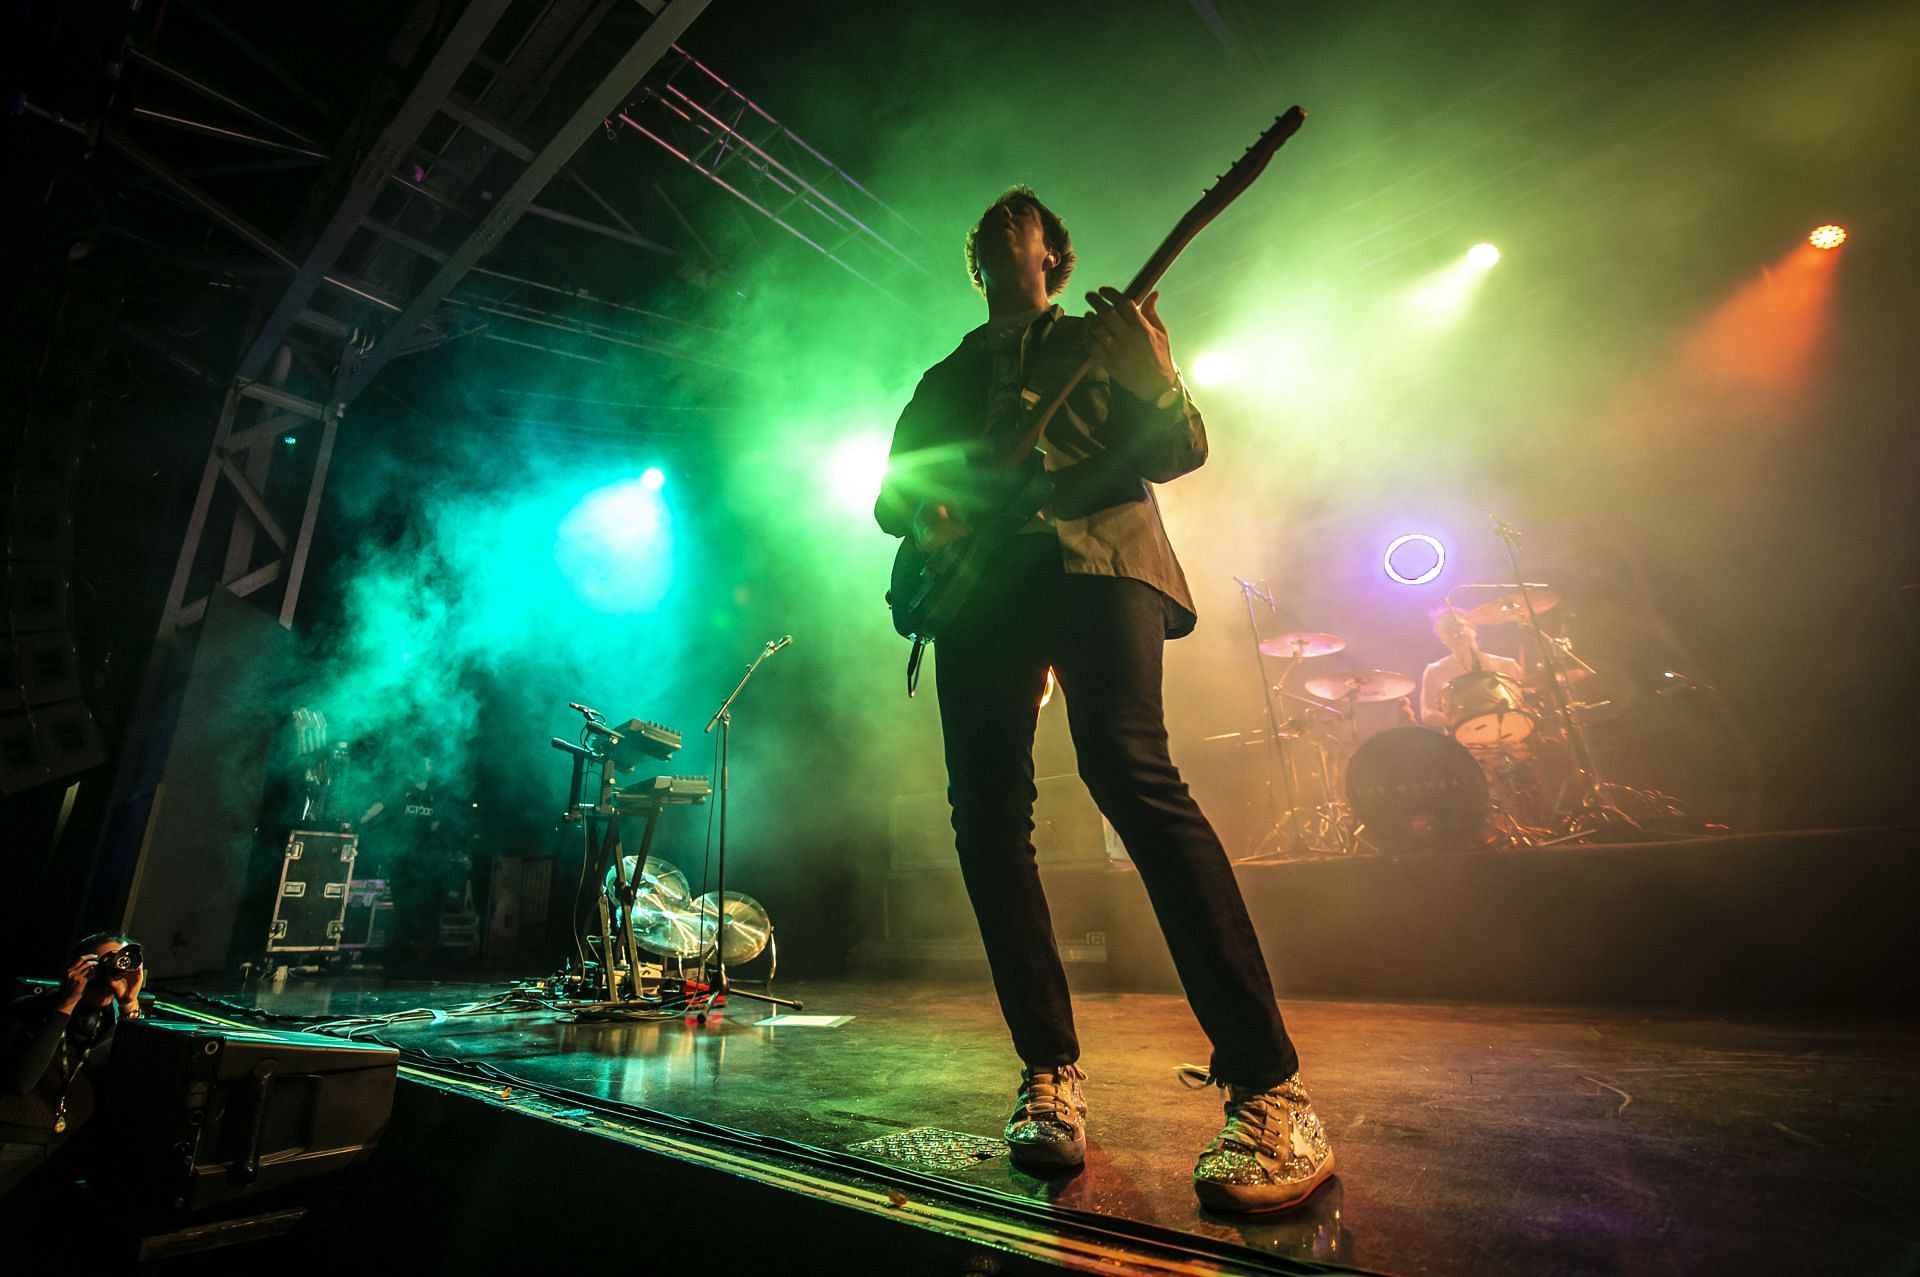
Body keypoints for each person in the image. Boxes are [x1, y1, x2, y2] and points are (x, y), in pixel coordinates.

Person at [874, 187, 1333, 1213]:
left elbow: (1178, 450)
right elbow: (890, 494)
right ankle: (1049, 1072)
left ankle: (1270, 1083)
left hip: (1099, 562)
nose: (1002, 217)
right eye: (987, 219)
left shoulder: (1104, 336)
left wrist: (1157, 375)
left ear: (1056, 253)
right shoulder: (948, 374)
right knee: (986, 814)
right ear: (977, 261)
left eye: (1023, 215)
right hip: (984, 588)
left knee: (1128, 769)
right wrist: (938, 510)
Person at [0, 932, 145, 1200]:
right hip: (14, 1143)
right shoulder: (29, 1010)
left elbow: (139, 1085)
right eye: (106, 962)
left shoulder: (116, 1028)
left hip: (69, 1150)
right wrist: (65, 1005)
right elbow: (20, 1082)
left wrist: (129, 1006)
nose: (113, 973)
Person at [1418, 608, 1525, 733]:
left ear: (1473, 628)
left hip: (1513, 736)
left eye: (1459, 626)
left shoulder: (1507, 665)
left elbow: (1527, 702)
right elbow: (1427, 714)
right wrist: (1463, 720)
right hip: (1465, 743)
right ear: (1442, 638)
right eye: (1447, 630)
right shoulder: (1435, 671)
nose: (1456, 633)